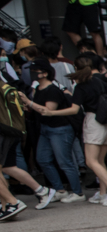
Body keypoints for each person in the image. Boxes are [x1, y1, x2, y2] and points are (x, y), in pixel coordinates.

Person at [22, 57, 107, 204]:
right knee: (99, 161)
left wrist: (52, 113)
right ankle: (103, 193)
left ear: (76, 69)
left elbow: (74, 109)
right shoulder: (99, 81)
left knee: (91, 161)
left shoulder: (81, 86)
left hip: (93, 122)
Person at [22, 58, 84, 206]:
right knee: (42, 159)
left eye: (34, 71)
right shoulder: (38, 88)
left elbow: (48, 110)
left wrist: (28, 102)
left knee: (65, 162)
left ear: (44, 73)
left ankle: (77, 192)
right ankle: (59, 190)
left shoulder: (52, 90)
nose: (31, 73)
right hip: (45, 129)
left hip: (60, 130)